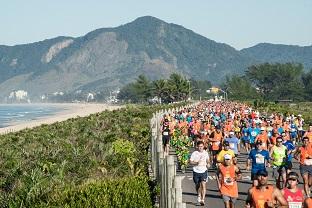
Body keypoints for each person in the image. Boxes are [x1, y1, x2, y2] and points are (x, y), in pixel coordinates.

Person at [189, 141, 210, 206]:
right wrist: (196, 163)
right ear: (197, 147)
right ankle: (198, 195)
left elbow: (208, 160)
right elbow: (190, 162)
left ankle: (203, 200)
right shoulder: (194, 153)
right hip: (196, 171)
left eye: (202, 146)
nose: (200, 148)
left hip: (204, 171)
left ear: (203, 146)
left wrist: (208, 163)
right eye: (199, 146)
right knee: (197, 185)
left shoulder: (205, 153)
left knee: (203, 185)